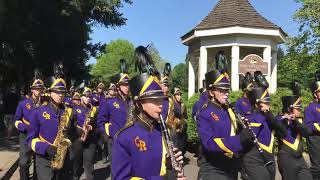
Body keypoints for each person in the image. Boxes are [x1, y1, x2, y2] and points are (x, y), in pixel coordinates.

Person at [112, 45, 185, 179]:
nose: (160, 105)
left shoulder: (167, 131)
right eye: (154, 100)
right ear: (139, 103)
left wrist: (172, 168)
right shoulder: (124, 137)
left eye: (161, 99)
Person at [196, 69, 255, 180]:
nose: (226, 93)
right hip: (213, 169)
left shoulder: (230, 110)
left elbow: (232, 133)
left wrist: (243, 129)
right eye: (221, 90)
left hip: (231, 166)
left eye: (227, 89)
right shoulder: (204, 114)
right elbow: (209, 143)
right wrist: (240, 139)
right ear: (211, 91)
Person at [27, 63, 76, 180]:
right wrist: (46, 148)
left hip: (64, 159)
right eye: (57, 91)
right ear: (49, 92)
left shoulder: (70, 111)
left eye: (63, 92)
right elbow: (30, 139)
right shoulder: (38, 112)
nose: (60, 95)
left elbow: (73, 134)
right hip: (44, 159)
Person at [242, 86, 287, 180]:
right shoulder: (249, 118)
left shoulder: (269, 118)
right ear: (257, 104)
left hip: (269, 158)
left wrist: (269, 114)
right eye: (265, 102)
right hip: (253, 159)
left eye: (268, 102)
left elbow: (283, 133)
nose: (269, 104)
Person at [97, 59, 130, 164]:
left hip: (131, 142)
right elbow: (100, 121)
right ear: (118, 86)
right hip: (115, 143)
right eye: (124, 84)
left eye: (128, 84)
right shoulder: (109, 103)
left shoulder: (133, 103)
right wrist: (107, 137)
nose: (127, 87)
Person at [14, 72, 45, 180]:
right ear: (32, 90)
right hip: (26, 136)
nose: (39, 90)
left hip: (40, 136)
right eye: (36, 88)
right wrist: (25, 128)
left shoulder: (46, 104)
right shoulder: (23, 103)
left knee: (39, 162)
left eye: (41, 88)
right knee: (23, 162)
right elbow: (17, 120)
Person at [276, 94, 312, 180]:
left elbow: (308, 132)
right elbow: (280, 133)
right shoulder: (278, 120)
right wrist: (285, 119)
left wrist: (295, 121)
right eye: (297, 108)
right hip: (286, 158)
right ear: (289, 108)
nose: (300, 110)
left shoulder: (299, 120)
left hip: (299, 158)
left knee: (308, 177)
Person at [71, 87, 98, 180]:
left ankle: (90, 177)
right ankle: (75, 175)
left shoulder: (93, 109)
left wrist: (91, 126)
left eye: (89, 96)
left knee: (89, 161)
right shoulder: (74, 109)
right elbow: (71, 124)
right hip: (78, 139)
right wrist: (79, 130)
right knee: (76, 161)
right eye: (85, 96)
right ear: (81, 97)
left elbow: (98, 122)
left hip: (90, 139)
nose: (88, 98)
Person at [304, 72, 320, 179]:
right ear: (315, 94)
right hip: (315, 140)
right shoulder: (310, 107)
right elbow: (308, 125)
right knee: (317, 167)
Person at [172, 87, 188, 154]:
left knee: (181, 144)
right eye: (177, 95)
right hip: (174, 127)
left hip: (182, 127)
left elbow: (185, 115)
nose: (179, 96)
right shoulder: (172, 104)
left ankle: (181, 158)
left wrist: (185, 121)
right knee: (175, 144)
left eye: (180, 95)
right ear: (174, 96)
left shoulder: (182, 104)